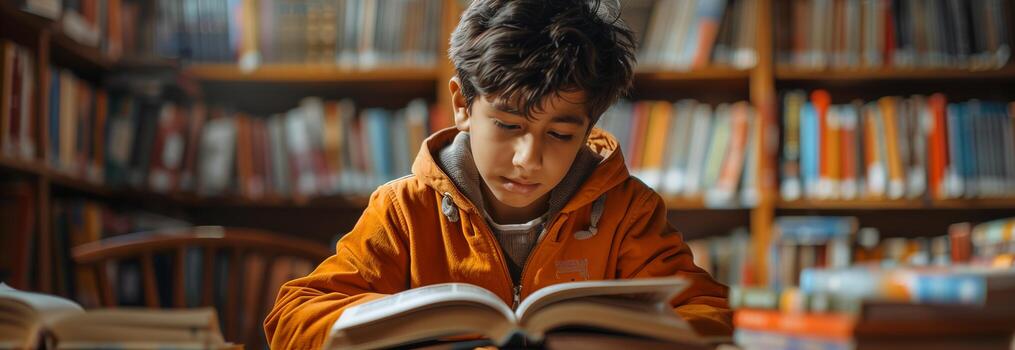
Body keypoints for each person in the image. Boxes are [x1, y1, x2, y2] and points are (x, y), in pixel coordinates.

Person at [265, 1, 732, 348]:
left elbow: (709, 314)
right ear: (463, 105)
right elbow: (293, 318)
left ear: (589, 127)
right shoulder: (404, 210)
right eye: (509, 126)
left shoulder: (628, 210)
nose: (528, 159)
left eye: (561, 134)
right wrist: (399, 326)